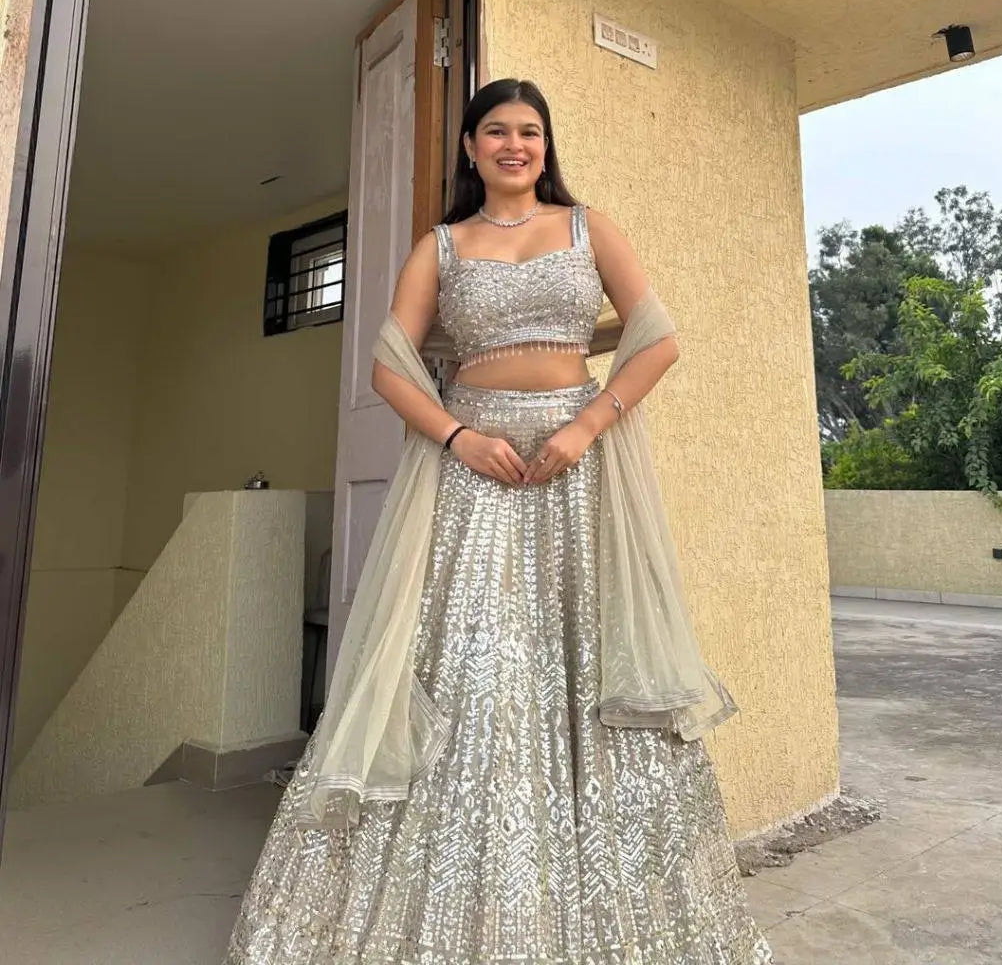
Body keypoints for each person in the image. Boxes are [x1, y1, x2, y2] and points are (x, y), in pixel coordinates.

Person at [226, 78, 773, 963]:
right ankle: (457, 914)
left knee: (584, 651)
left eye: (530, 131)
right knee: (475, 661)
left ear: (545, 147)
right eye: (496, 131)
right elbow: (391, 365)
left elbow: (657, 338)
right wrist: (457, 436)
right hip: (476, 465)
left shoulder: (590, 228)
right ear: (471, 148)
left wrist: (587, 425)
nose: (515, 145)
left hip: (576, 464)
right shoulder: (441, 246)